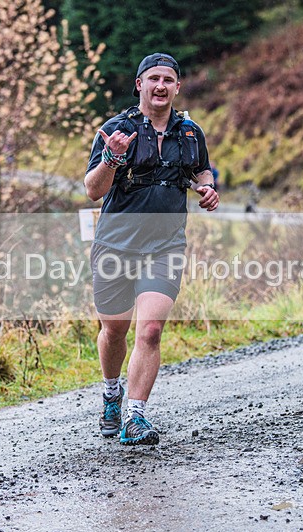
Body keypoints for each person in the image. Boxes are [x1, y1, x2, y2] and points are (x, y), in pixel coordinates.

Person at [84, 53, 219, 446]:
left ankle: (135, 416)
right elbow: (93, 190)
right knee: (114, 330)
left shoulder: (190, 132)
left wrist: (207, 187)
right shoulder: (115, 130)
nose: (161, 86)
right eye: (154, 78)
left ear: (177, 87)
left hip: (165, 245)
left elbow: (201, 169)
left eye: (168, 80)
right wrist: (111, 158)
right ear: (139, 85)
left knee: (151, 329)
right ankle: (112, 392)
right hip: (115, 245)